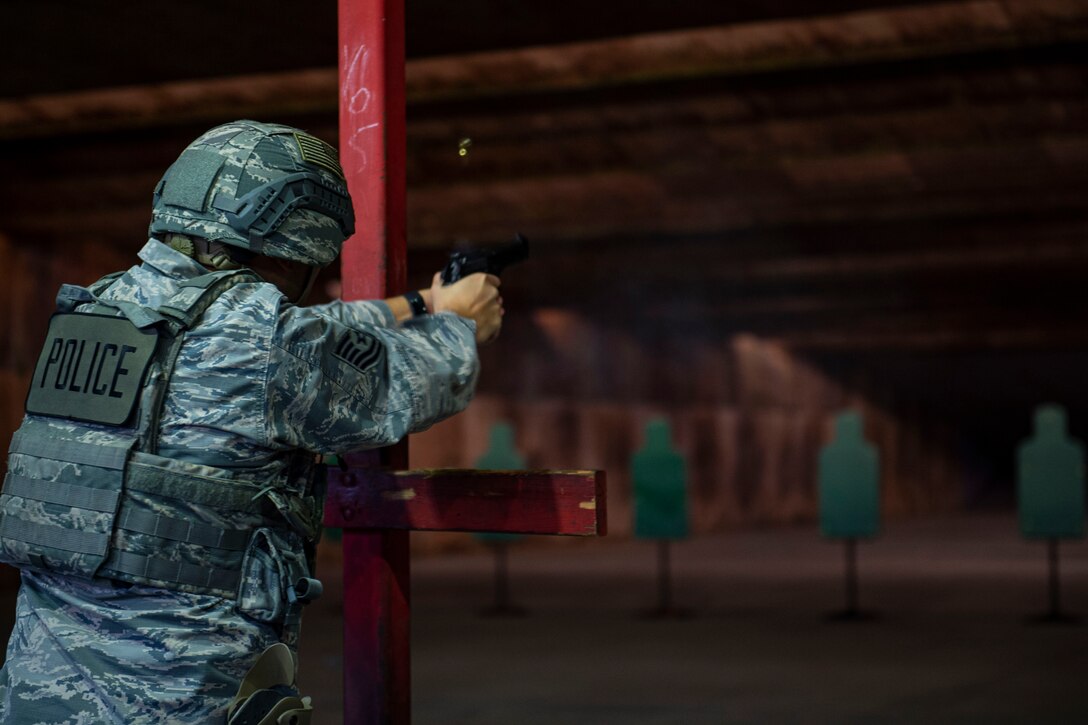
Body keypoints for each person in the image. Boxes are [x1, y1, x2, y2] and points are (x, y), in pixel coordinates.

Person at [0, 120, 502, 724]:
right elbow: (419, 381)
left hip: (43, 682)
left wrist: (419, 302)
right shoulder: (269, 340)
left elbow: (287, 337)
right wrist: (459, 322)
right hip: (180, 690)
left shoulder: (98, 307)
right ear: (299, 235)